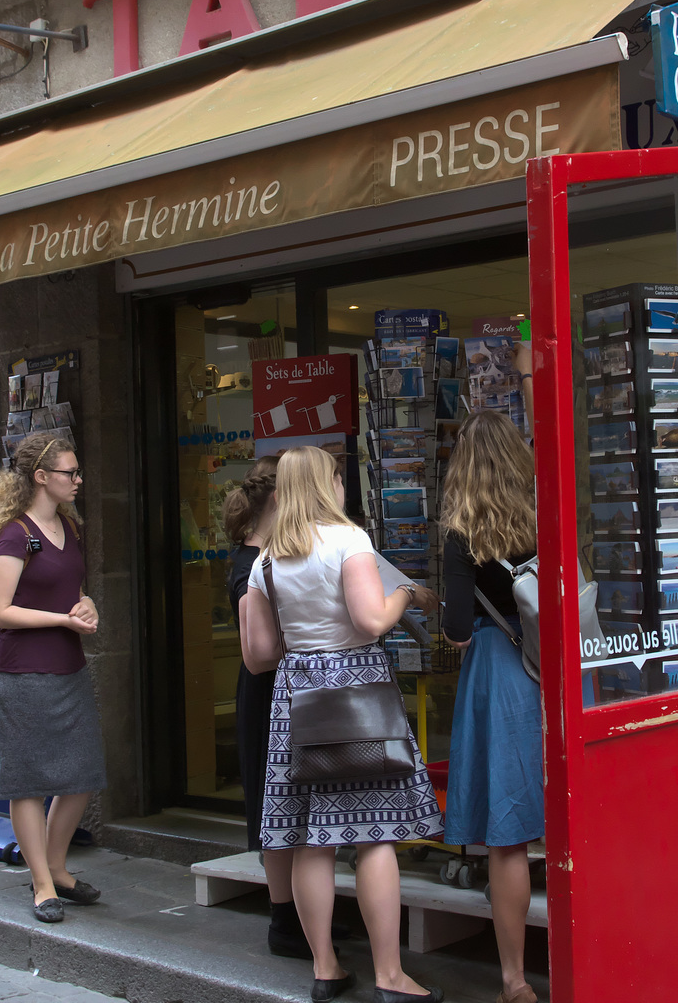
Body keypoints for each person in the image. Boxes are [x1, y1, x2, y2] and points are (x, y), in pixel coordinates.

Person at [242, 446, 444, 1003]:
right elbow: (371, 619)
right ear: (327, 483)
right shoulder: (350, 541)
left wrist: (301, 638)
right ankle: (389, 976)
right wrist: (404, 590)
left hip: (297, 695)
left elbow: (258, 654)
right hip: (356, 688)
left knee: (313, 841)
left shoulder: (265, 563)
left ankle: (326, 969)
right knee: (373, 837)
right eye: (337, 477)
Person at [0, 432, 106, 924]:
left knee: (82, 773)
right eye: (69, 473)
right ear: (41, 477)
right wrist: (60, 620)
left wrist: (86, 604)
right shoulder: (16, 535)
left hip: (67, 666)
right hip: (22, 671)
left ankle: (57, 867)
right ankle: (42, 884)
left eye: (77, 472)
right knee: (29, 781)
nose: (77, 480)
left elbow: (73, 589)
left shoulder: (69, 528)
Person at [439, 406, 542, 1003]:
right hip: (558, 674)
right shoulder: (546, 513)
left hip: (501, 676)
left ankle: (514, 979)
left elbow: (456, 629)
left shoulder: (461, 534)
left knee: (508, 838)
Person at [222, 455, 309, 957]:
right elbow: (254, 642)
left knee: (290, 803)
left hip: (283, 685)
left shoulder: (266, 556)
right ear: (278, 499)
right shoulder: (248, 564)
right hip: (267, 688)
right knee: (273, 807)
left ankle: (298, 915)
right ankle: (283, 922)